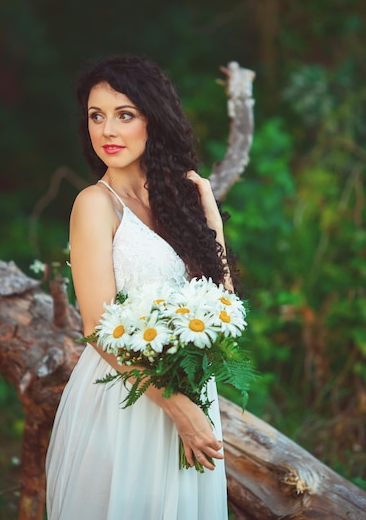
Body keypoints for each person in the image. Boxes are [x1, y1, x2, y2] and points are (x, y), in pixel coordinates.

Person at [46, 55, 234, 520]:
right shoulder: (94, 204)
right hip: (126, 399)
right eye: (96, 116)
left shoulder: (179, 203)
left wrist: (210, 214)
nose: (107, 130)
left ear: (154, 120)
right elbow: (97, 326)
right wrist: (178, 410)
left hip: (191, 390)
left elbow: (226, 308)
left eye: (123, 115)